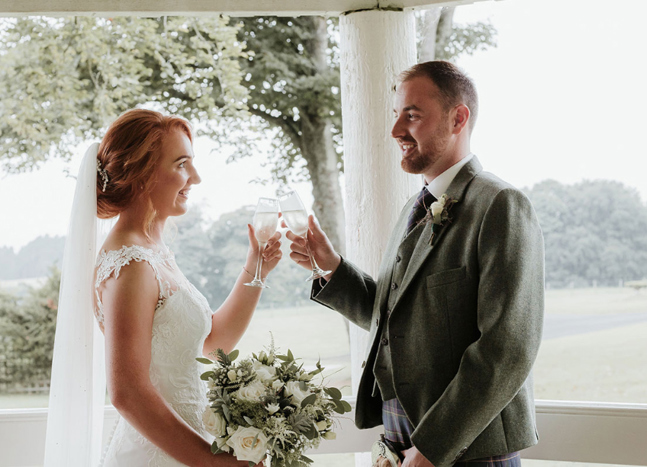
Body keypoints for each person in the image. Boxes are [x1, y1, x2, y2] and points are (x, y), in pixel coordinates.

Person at [285, 61, 545, 467]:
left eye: (412, 115)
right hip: (397, 442)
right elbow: (395, 318)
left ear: (458, 118)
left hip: (462, 450)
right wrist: (332, 267)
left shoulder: (500, 205)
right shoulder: (413, 208)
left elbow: (506, 349)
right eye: (396, 115)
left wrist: (431, 448)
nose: (395, 131)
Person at [49, 109, 282, 467]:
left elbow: (212, 344)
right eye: (181, 164)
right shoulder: (132, 265)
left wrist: (256, 269)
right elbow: (127, 393)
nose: (196, 177)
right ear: (142, 175)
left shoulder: (153, 254)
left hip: (189, 445)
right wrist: (214, 462)